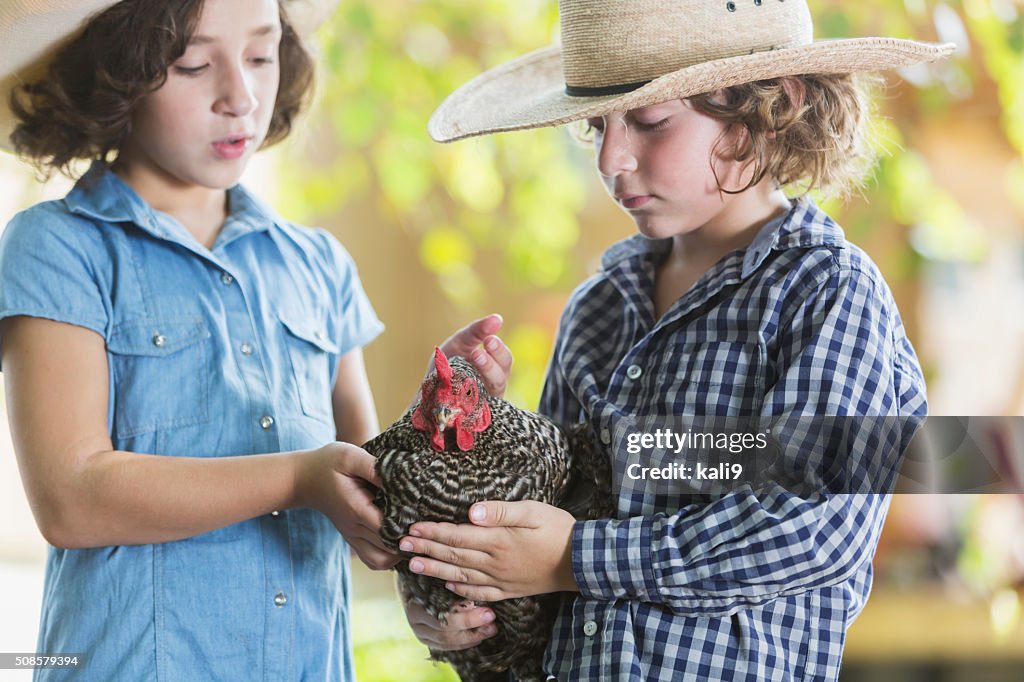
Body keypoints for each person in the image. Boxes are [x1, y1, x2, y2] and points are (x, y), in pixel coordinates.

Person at [396, 1, 954, 679]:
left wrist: (577, 558)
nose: (610, 157)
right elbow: (540, 550)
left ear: (768, 112)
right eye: (596, 124)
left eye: (650, 122)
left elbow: (812, 526)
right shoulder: (595, 311)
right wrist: (463, 618)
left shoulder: (827, 294)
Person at [0, 0, 511, 679]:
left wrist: (442, 409)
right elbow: (71, 499)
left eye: (262, 55)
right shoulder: (58, 247)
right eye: (192, 63)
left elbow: (368, 486)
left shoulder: (318, 263)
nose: (240, 97)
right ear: (116, 73)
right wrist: (299, 477)